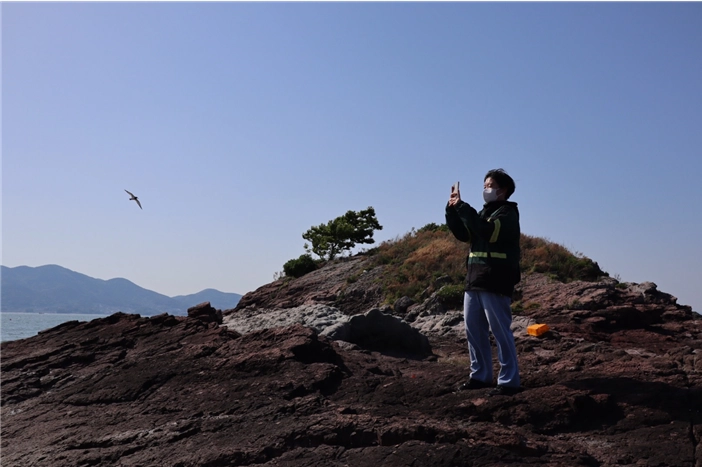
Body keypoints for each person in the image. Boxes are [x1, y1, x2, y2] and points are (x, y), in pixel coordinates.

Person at [445, 168, 522, 396]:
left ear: (503, 190)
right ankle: (480, 376)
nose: (485, 190)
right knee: (474, 331)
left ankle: (509, 381)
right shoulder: (483, 214)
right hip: (475, 279)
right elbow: (464, 234)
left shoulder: (507, 214)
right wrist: (452, 210)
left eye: (490, 186)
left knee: (500, 332)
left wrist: (463, 207)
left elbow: (486, 231)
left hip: (496, 280)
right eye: (485, 186)